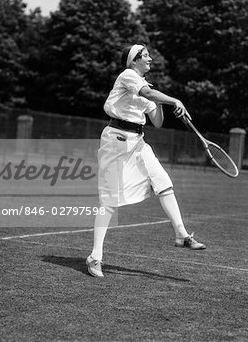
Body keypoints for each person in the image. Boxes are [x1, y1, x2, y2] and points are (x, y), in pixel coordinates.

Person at [86, 44, 206, 278]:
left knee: (163, 181)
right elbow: (149, 94)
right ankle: (95, 257)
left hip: (138, 142)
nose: (150, 59)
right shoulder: (128, 76)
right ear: (133, 61)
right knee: (109, 201)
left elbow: (157, 121)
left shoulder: (146, 87)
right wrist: (175, 101)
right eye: (145, 56)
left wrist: (165, 105)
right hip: (115, 141)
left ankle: (181, 234)